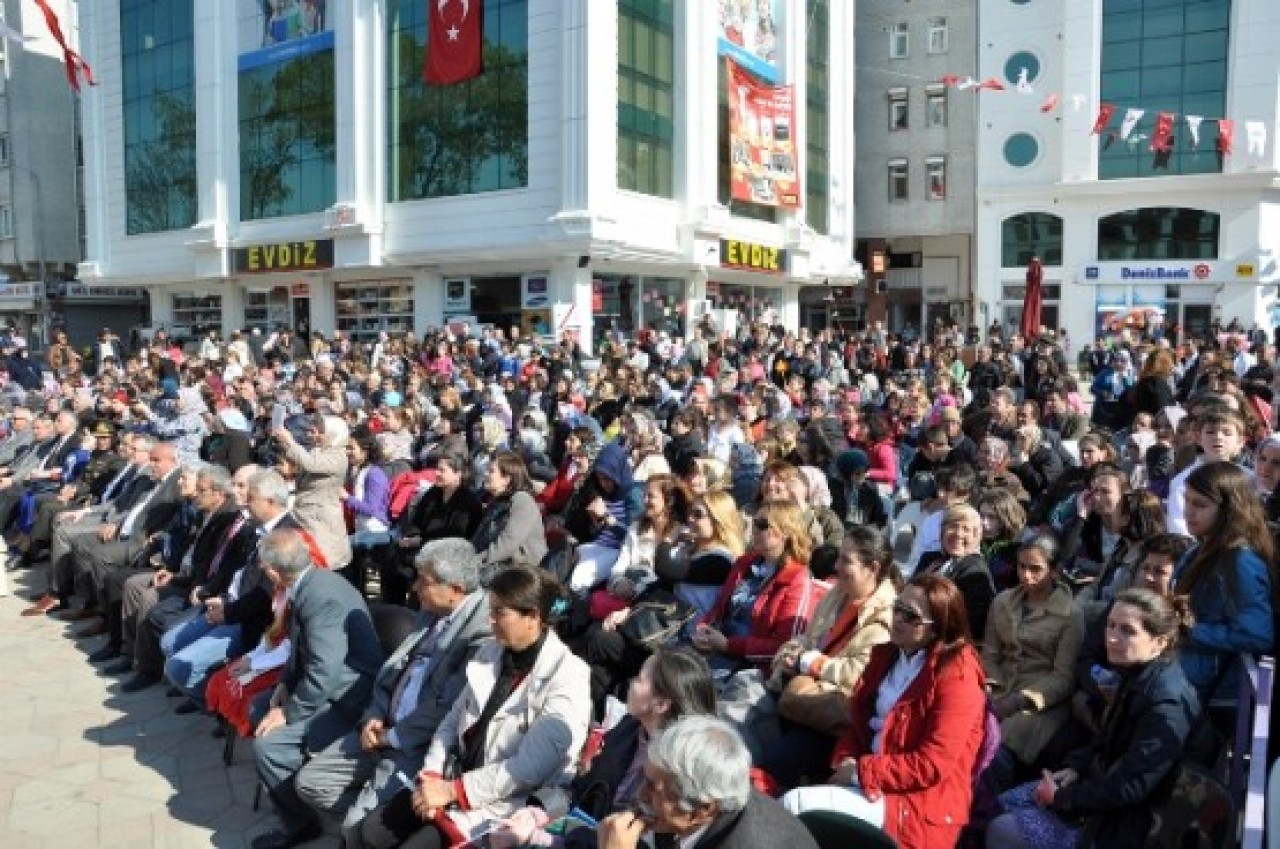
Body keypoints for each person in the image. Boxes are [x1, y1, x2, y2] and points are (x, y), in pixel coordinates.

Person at [352, 565, 591, 849]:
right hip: (452, 778)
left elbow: (526, 770)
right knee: (370, 833)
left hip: (504, 804)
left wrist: (453, 792)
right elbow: (451, 723)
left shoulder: (568, 675)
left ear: (533, 617)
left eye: (499, 612)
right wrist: (432, 776)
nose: (489, 620)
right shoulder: (491, 650)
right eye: (490, 610)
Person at [294, 539, 492, 835]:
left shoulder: (483, 632)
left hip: (417, 744)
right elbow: (394, 671)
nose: (414, 588)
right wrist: (373, 716)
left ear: (455, 589)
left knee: (357, 828)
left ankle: (368, 827)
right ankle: (371, 825)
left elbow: (446, 706)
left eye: (423, 582)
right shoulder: (432, 611)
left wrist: (392, 737)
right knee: (311, 783)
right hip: (382, 726)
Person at [780, 575, 989, 849]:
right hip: (872, 780)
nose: (898, 618)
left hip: (916, 805)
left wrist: (860, 772)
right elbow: (859, 724)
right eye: (897, 608)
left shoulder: (957, 676)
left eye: (910, 616)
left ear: (937, 628)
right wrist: (845, 760)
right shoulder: (887, 655)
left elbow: (931, 764)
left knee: (794, 805)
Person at [986, 589, 1201, 848]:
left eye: (1128, 631)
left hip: (1122, 826)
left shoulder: (1167, 703)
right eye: (1110, 625)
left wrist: (1064, 798)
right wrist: (1075, 767)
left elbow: (1131, 786)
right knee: (999, 804)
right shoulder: (1136, 675)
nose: (1112, 638)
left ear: (1160, 642)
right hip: (1097, 796)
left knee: (1001, 829)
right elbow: (1106, 740)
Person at [490, 647, 718, 847]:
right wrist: (537, 813)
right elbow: (579, 790)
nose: (631, 682)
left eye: (639, 678)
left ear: (660, 704)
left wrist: (538, 839)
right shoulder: (630, 728)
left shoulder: (676, 783)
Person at [251, 528, 385, 849]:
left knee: (269, 747)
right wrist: (285, 684)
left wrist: (290, 712)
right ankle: (292, 792)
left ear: (273, 571)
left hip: (349, 697)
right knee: (259, 708)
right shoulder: (309, 582)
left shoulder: (319, 595)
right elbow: (304, 649)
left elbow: (324, 670)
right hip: (331, 683)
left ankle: (300, 825)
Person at [762, 527, 900, 788]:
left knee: (778, 761)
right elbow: (808, 637)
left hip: (832, 715)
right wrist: (792, 655)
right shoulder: (838, 595)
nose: (836, 566)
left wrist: (809, 662)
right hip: (800, 694)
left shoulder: (887, 617)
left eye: (846, 561)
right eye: (838, 557)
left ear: (872, 567)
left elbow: (858, 674)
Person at [595, 716, 819, 849]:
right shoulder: (706, 801)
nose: (640, 794)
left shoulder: (746, 841)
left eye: (653, 787)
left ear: (702, 811)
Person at [981, 533, 1084, 789]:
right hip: (999, 687)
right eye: (1022, 567)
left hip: (1039, 704)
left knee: (999, 748)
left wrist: (1020, 700)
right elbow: (990, 654)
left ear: (1055, 571)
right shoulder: (1002, 602)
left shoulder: (1070, 615)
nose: (1027, 576)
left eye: (1036, 569)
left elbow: (1063, 676)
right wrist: (992, 689)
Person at [1174, 461, 1277, 704]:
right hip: (1189, 680)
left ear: (1229, 510)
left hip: (1214, 696)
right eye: (1187, 500)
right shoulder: (1200, 547)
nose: (1188, 511)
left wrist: (1189, 631)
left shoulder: (1241, 561)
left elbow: (1257, 635)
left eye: (1200, 504)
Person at [691, 500, 825, 672]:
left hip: (752, 668)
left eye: (762, 525)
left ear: (785, 532)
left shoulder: (797, 579)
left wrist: (728, 645)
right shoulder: (744, 564)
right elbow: (718, 609)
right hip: (717, 651)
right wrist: (703, 629)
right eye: (754, 522)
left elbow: (785, 647)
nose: (753, 529)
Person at [390, 448, 483, 604]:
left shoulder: (467, 502)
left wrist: (420, 540)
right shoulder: (434, 493)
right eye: (437, 470)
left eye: (442, 470)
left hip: (450, 554)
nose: (437, 474)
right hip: (424, 546)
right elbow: (417, 520)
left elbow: (456, 535)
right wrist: (410, 537)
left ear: (457, 474)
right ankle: (395, 608)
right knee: (393, 559)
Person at [271, 413, 353, 575]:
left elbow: (310, 464)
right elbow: (299, 460)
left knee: (324, 560)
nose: (313, 435)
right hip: (304, 516)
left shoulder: (338, 456)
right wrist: (283, 443)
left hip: (321, 520)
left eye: (319, 432)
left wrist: (290, 441)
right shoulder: (318, 450)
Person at [915, 504, 996, 642]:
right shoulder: (929, 559)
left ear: (977, 536)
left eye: (966, 529)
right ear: (942, 531)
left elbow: (973, 626)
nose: (958, 534)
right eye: (952, 526)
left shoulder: (976, 572)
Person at [470, 449, 548, 581]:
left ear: (506, 479)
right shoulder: (496, 501)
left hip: (520, 572)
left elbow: (507, 543)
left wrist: (473, 562)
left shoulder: (522, 500)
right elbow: (480, 537)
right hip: (497, 564)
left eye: (491, 471)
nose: (485, 474)